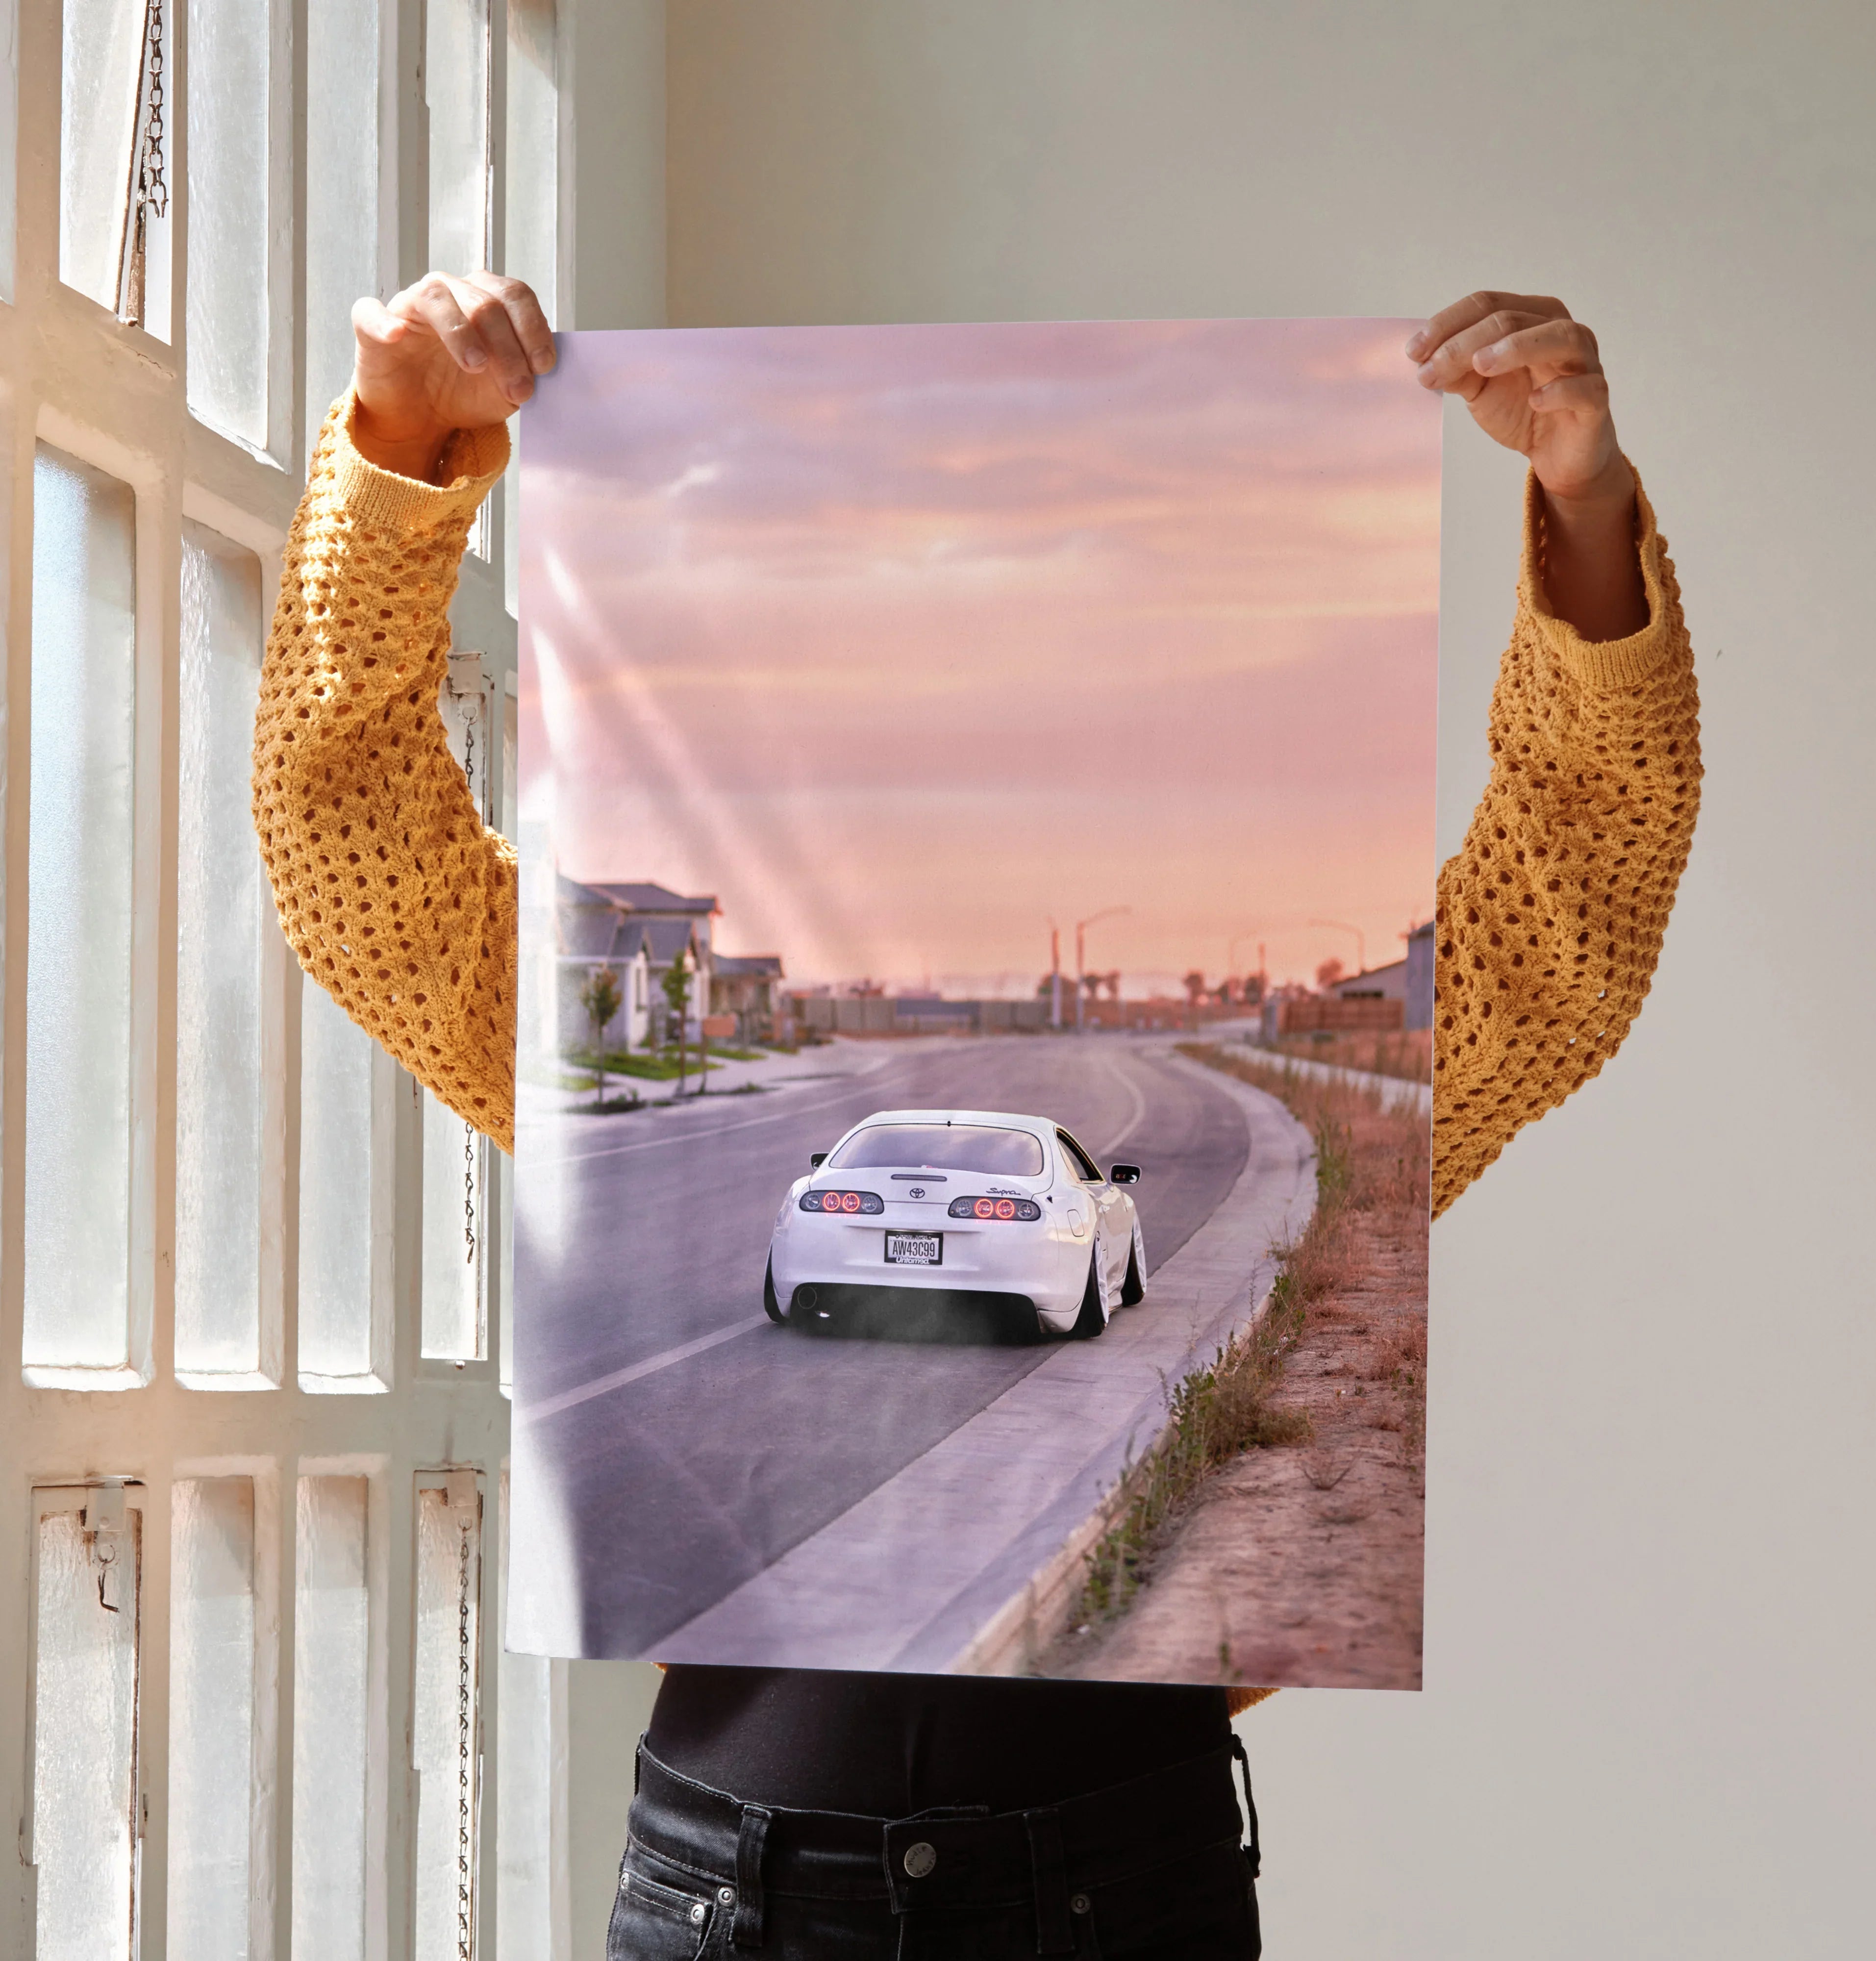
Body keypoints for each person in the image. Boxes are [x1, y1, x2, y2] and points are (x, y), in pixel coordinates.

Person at [253, 275, 1700, 1959]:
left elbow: (1570, 915)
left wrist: (1584, 505)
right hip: (741, 1894)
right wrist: (398, 451)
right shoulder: (634, 1095)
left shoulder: (1327, 1137)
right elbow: (352, 847)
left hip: (1117, 1882)